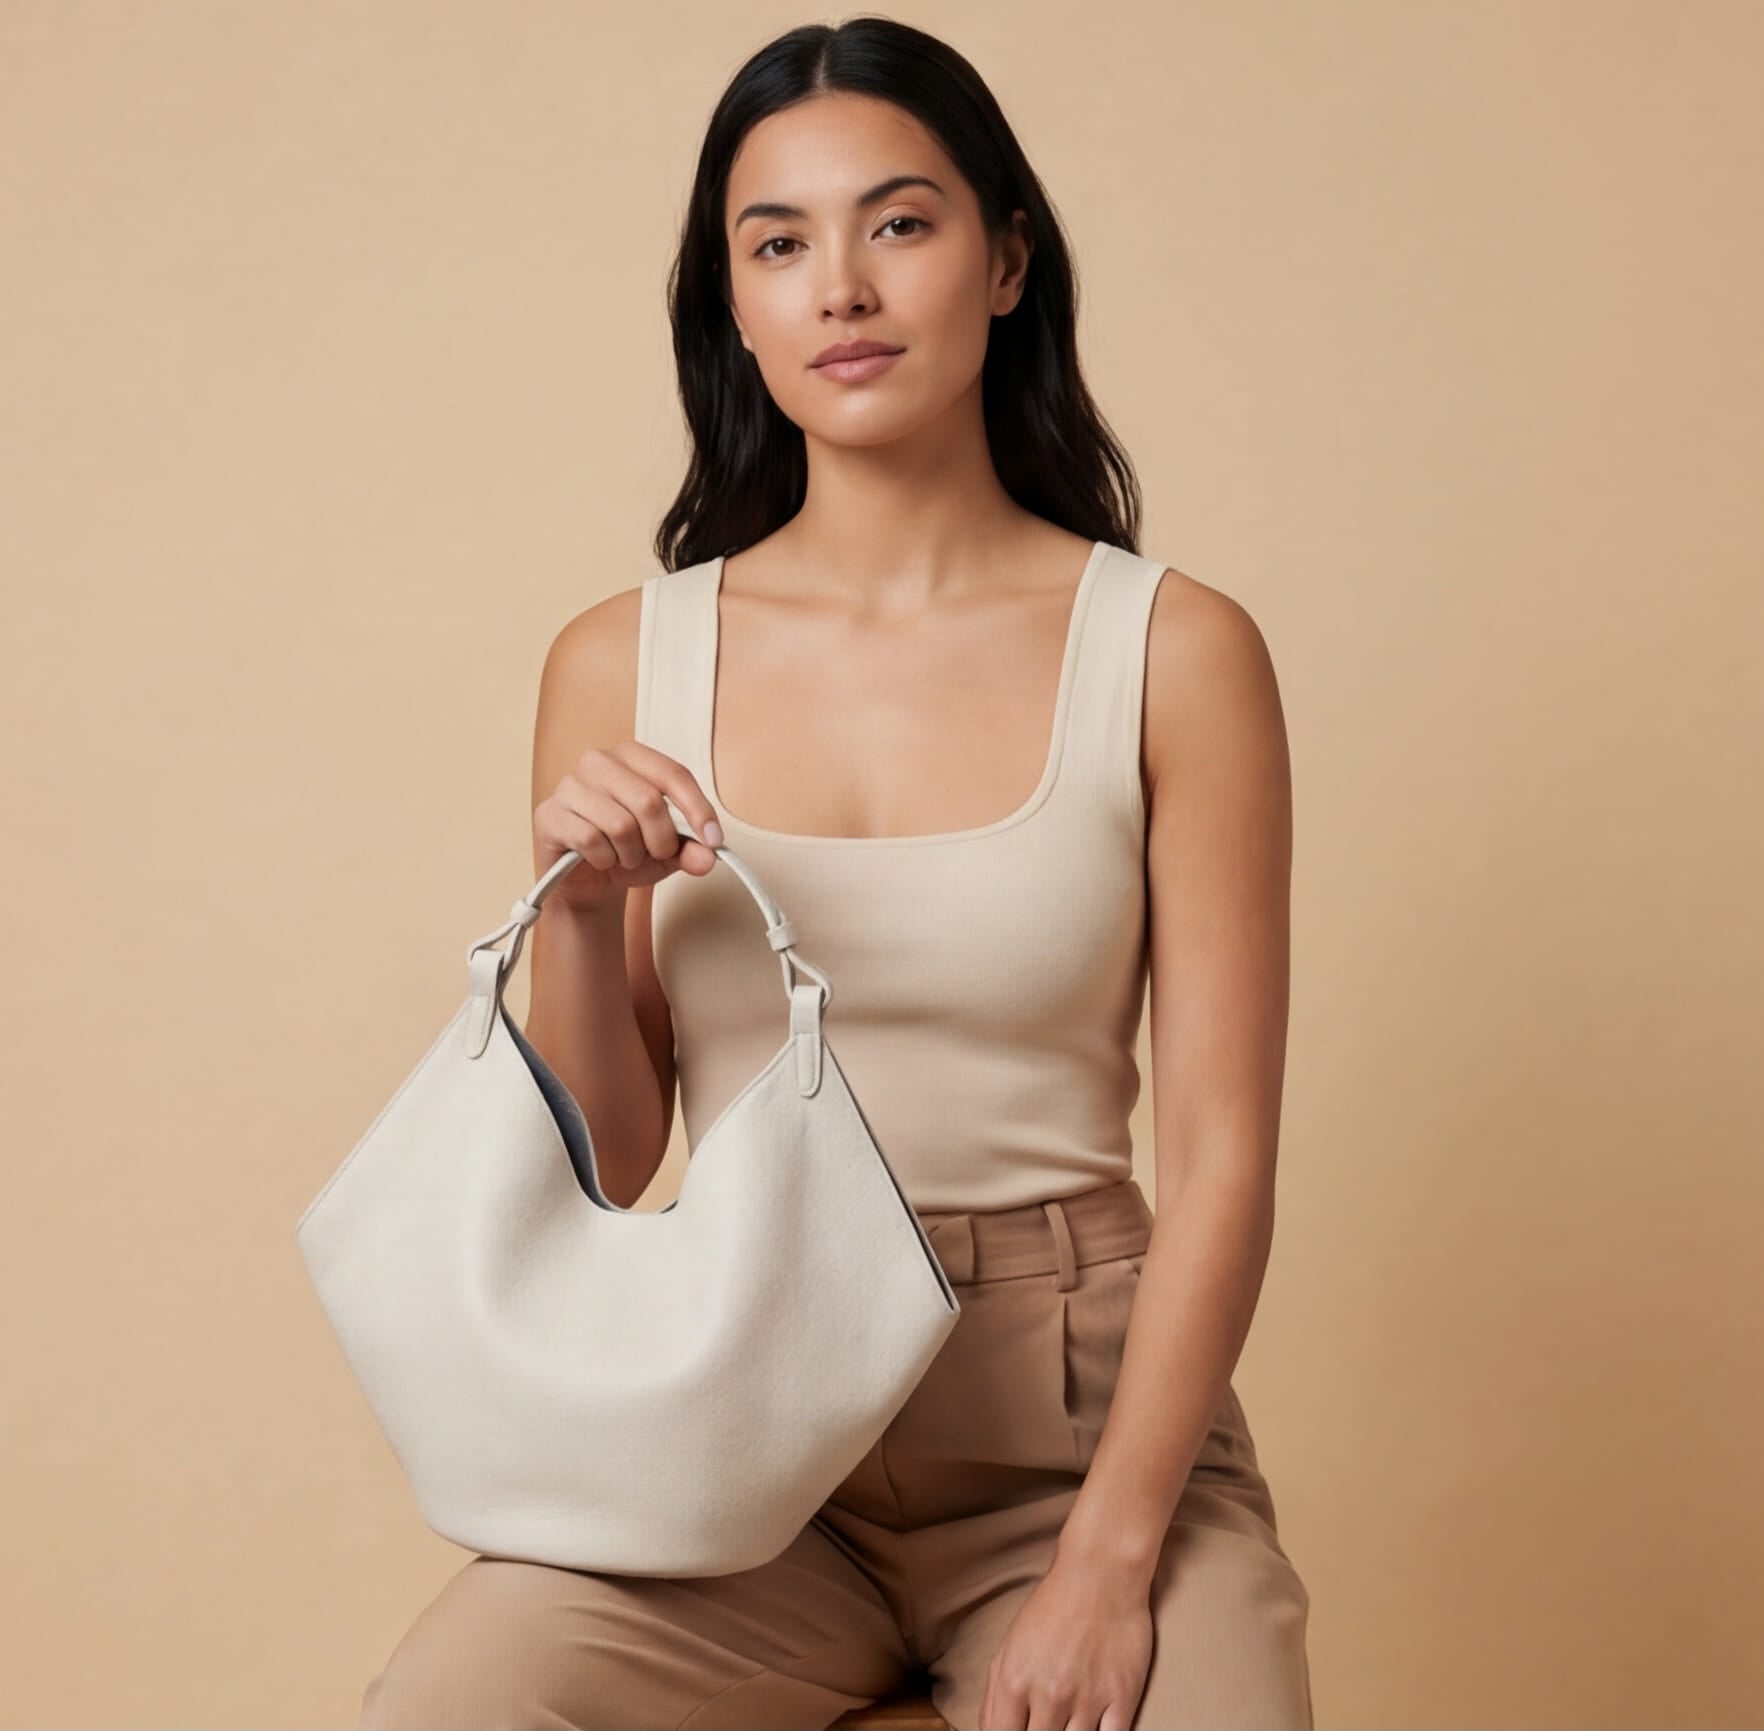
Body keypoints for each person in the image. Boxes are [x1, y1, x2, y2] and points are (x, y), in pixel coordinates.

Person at [359, 16, 1311, 1730]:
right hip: (736, 1443)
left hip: (1074, 1433)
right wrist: (580, 912)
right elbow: (621, 1146)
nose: (840, 289)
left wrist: (1105, 1565)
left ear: (1007, 259)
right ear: (732, 302)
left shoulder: (1173, 651)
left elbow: (1225, 1151)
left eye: (900, 223)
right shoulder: (617, 656)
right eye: (778, 244)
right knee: (454, 1707)